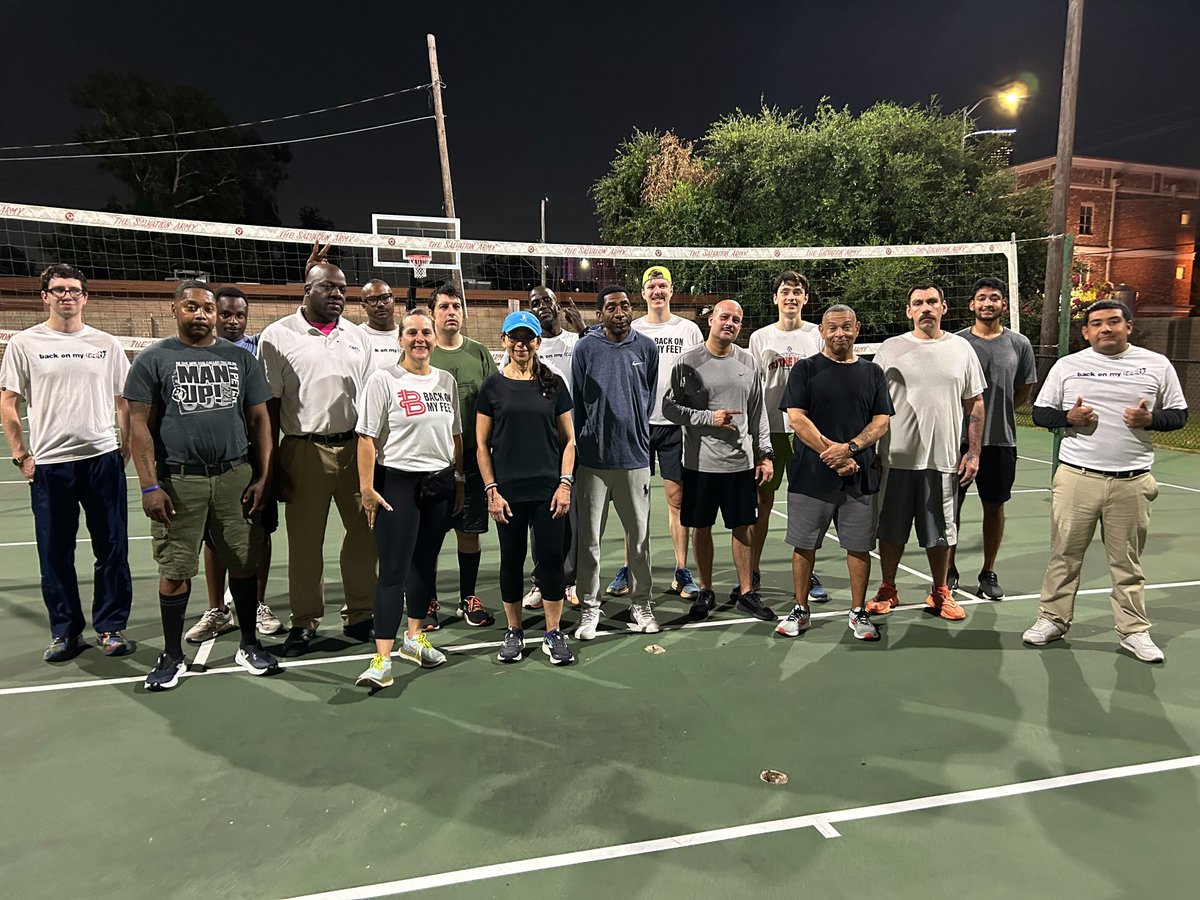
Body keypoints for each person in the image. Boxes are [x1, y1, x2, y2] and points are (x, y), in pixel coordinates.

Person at [125, 282, 279, 691]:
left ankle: (249, 643)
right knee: (175, 567)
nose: (201, 315)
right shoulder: (153, 359)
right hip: (180, 480)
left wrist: (263, 476)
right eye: (191, 307)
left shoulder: (240, 359)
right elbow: (138, 424)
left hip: (234, 476)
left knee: (244, 560)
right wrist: (148, 485)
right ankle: (171, 654)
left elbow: (260, 419)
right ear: (174, 309)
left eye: (207, 308)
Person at [1023, 300, 1187, 663]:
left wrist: (1150, 420)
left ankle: (1133, 631)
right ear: (1086, 332)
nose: (1105, 328)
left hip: (1132, 481)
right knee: (1064, 554)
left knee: (1127, 563)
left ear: (1129, 326)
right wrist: (1068, 417)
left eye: (1113, 321)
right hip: (1076, 477)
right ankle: (1053, 619)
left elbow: (1179, 415)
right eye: (1096, 323)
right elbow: (1039, 413)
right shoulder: (1068, 366)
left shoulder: (1156, 364)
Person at [0, 263, 134, 662]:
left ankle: (110, 627)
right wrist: (20, 454)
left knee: (112, 547)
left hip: (101, 459)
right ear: (45, 296)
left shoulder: (106, 344)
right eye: (58, 289)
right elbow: (8, 402)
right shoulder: (25, 343)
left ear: (85, 297)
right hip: (51, 463)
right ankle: (66, 632)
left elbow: (124, 401)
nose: (67, 295)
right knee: (55, 552)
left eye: (74, 289)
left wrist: (124, 446)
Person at [258, 262, 377, 656]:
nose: (337, 294)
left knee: (364, 535)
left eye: (342, 288)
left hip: (355, 447)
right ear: (306, 290)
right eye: (327, 287)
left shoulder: (358, 337)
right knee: (305, 543)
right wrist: (271, 466)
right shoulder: (277, 336)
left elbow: (370, 401)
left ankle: (360, 614)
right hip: (303, 448)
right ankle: (305, 621)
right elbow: (269, 407)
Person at [353, 309, 462, 688]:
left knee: (424, 566)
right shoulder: (383, 380)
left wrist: (459, 479)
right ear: (400, 339)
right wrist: (367, 489)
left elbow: (456, 435)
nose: (420, 339)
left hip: (439, 482)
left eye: (426, 332)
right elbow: (366, 439)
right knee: (393, 572)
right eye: (412, 332)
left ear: (434, 338)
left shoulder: (446, 381)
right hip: (398, 483)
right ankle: (381, 659)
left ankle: (414, 639)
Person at [865, 282, 985, 622]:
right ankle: (888, 588)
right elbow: (874, 403)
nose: (925, 308)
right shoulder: (890, 349)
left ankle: (940, 591)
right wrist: (872, 450)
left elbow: (975, 402)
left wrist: (973, 452)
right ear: (909, 311)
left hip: (943, 459)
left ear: (943, 307)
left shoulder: (961, 349)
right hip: (895, 458)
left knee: (941, 532)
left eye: (932, 301)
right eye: (918, 303)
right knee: (890, 530)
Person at [777, 305, 892, 640]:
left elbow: (881, 421)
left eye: (846, 327)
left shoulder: (873, 373)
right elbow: (796, 419)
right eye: (832, 327)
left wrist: (851, 448)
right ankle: (801, 609)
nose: (839, 333)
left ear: (857, 328)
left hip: (860, 476)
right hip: (811, 476)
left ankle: (858, 612)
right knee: (803, 545)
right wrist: (835, 457)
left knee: (859, 547)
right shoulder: (805, 370)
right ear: (822, 331)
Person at [663, 299, 776, 622]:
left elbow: (758, 412)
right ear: (710, 320)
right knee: (702, 528)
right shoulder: (687, 362)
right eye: (724, 316)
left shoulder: (748, 361)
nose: (730, 323)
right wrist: (707, 418)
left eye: (736, 320)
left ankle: (746, 592)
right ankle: (706, 589)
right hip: (700, 464)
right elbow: (669, 408)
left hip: (740, 463)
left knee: (743, 527)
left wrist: (765, 454)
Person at [477, 310, 576, 664]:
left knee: (550, 561)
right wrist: (492, 490)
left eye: (528, 338)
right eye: (514, 337)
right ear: (504, 340)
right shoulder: (492, 387)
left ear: (537, 341)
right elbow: (481, 445)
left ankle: (553, 632)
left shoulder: (554, 384)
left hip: (548, 492)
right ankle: (514, 631)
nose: (521, 344)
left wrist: (565, 484)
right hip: (508, 494)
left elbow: (569, 441)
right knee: (511, 560)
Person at [187, 286, 283, 643]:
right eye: (225, 314)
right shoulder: (193, 352)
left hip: (254, 454)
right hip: (215, 459)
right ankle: (217, 609)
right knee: (214, 536)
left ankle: (257, 604)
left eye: (239, 315)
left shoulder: (259, 349)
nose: (232, 321)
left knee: (260, 529)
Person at [605, 266, 703, 602]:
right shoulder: (631, 329)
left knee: (677, 500)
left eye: (662, 285)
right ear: (643, 293)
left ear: (671, 290)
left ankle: (681, 570)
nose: (657, 291)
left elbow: (700, 375)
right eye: (651, 286)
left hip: (677, 427)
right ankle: (629, 566)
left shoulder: (689, 330)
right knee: (634, 502)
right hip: (639, 426)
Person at [571, 284, 661, 639]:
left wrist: (634, 432)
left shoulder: (646, 348)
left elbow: (647, 398)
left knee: (639, 540)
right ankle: (590, 607)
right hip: (593, 460)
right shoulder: (585, 348)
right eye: (611, 307)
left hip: (635, 458)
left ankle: (641, 604)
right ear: (600, 314)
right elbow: (578, 401)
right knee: (590, 541)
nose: (619, 312)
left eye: (625, 305)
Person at [948, 277, 1037, 598]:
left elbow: (1023, 390)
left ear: (1004, 304)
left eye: (994, 298)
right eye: (982, 298)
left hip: (1001, 440)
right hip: (957, 441)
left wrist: (997, 413)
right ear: (972, 305)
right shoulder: (956, 343)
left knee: (994, 506)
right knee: (950, 508)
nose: (988, 303)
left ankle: (988, 572)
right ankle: (948, 569)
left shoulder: (1019, 344)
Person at [747, 271, 827, 601]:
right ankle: (751, 570)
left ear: (805, 299)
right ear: (775, 298)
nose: (791, 296)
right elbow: (753, 390)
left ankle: (807, 573)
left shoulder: (817, 335)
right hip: (770, 433)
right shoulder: (760, 338)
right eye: (785, 291)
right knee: (761, 504)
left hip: (805, 432)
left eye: (797, 291)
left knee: (805, 505)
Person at [425, 282, 497, 630]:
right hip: (432, 460)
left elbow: (496, 400)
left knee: (469, 531)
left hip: (472, 457)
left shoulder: (479, 353)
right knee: (430, 535)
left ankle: (468, 598)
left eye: (456, 306)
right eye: (443, 307)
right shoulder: (422, 351)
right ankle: (427, 599)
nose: (451, 312)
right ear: (432, 314)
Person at [514, 286, 581, 610]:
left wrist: (584, 328)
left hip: (572, 442)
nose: (542, 306)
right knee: (539, 518)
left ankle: (571, 580)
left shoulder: (575, 342)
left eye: (547, 300)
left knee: (572, 517)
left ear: (557, 305)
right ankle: (541, 582)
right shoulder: (528, 347)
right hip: (540, 445)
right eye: (535, 303)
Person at [357, 278, 402, 371]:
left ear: (394, 301)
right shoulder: (356, 336)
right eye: (372, 300)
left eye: (385, 298)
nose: (380, 304)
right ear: (363, 306)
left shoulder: (407, 335)